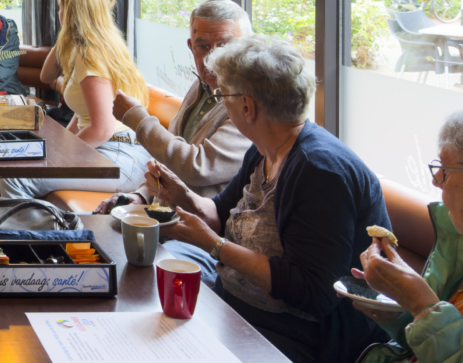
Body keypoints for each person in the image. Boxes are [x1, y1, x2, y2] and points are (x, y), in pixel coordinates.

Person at [150, 35, 390, 363]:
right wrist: (183, 196)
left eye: (222, 95)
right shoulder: (264, 149)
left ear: (247, 106)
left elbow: (315, 292)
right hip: (235, 308)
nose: (221, 103)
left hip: (293, 337)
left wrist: (213, 245)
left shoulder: (320, 170)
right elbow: (220, 212)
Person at [94, 0, 253, 214]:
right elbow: (169, 163)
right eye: (203, 46)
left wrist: (138, 119)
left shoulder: (248, 102)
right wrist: (141, 195)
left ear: (247, 46)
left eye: (225, 46)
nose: (212, 59)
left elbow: (199, 167)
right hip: (167, 214)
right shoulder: (201, 84)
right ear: (191, 46)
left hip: (203, 225)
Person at [1, 0, 151, 200]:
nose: (58, 13)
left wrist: (60, 157)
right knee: (21, 160)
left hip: (120, 156)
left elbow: (102, 129)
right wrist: (58, 149)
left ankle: (32, 224)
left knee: (14, 175)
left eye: (61, 7)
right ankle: (37, 221)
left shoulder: (90, 57)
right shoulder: (95, 46)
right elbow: (47, 77)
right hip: (114, 149)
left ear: (71, 12)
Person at [352, 110, 463, 363]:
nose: (436, 180)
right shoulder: (455, 242)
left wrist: (420, 303)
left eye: (445, 169)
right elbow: (424, 346)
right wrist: (396, 310)